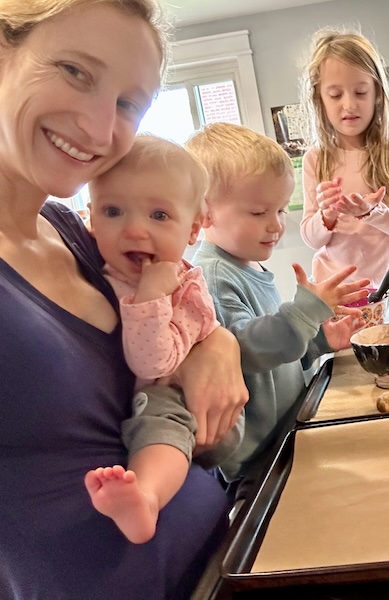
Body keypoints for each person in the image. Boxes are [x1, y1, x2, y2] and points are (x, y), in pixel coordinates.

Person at [0, 2, 248, 599]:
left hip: (221, 563)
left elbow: (165, 316)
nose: (99, 127)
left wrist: (219, 343)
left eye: (129, 103)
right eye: (75, 71)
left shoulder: (71, 231)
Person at [186, 122, 368, 494]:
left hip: (285, 434)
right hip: (257, 463)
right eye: (257, 213)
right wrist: (302, 314)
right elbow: (247, 353)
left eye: (282, 210)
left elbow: (275, 362)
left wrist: (317, 341)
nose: (275, 225)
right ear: (204, 214)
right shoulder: (213, 277)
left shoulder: (250, 265)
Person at [85, 134, 244, 544]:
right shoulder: (93, 265)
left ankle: (147, 497)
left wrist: (152, 296)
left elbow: (152, 363)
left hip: (178, 399)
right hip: (166, 400)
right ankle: (145, 496)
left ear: (192, 230)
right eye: (113, 211)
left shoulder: (178, 284)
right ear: (90, 219)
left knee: (160, 419)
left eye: (158, 216)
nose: (135, 230)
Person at [299, 29, 389, 297]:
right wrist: (327, 216)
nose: (349, 104)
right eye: (335, 95)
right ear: (319, 100)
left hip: (388, 292)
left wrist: (371, 213)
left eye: (360, 91)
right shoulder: (315, 159)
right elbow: (311, 238)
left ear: (377, 93)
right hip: (334, 295)